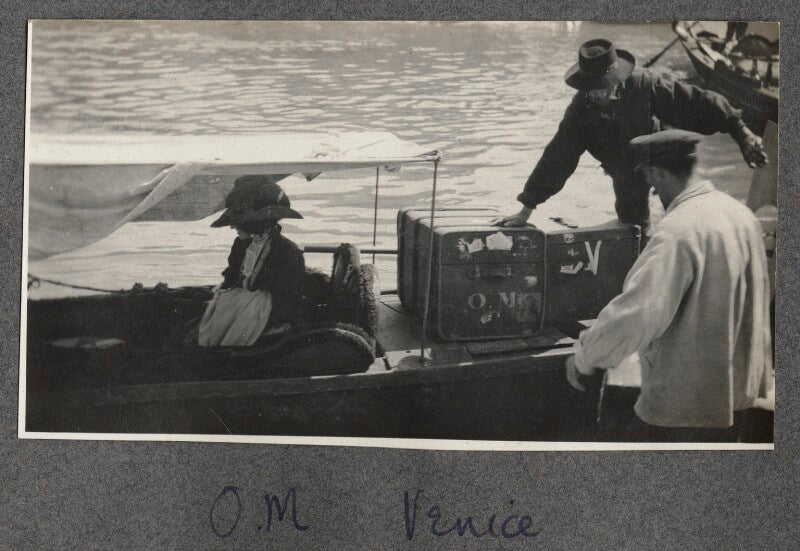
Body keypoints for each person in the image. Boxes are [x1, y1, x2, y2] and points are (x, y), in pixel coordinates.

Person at [564, 129, 773, 442]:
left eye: (649, 180)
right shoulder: (741, 215)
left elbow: (637, 314)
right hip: (737, 399)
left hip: (684, 410)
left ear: (657, 173)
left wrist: (584, 357)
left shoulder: (676, 231)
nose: (650, 190)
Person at [492, 38, 768, 233]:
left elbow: (702, 101)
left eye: (605, 86)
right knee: (632, 226)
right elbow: (557, 158)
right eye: (592, 88)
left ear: (620, 79)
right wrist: (527, 207)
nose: (599, 93)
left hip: (663, 161)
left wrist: (743, 135)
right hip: (624, 169)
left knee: (684, 220)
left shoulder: (647, 85)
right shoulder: (580, 111)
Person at [197, 176, 305, 347]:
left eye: (239, 222)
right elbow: (231, 277)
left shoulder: (287, 251)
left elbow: (287, 301)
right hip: (241, 304)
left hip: (267, 314)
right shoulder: (241, 244)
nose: (233, 227)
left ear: (258, 222)